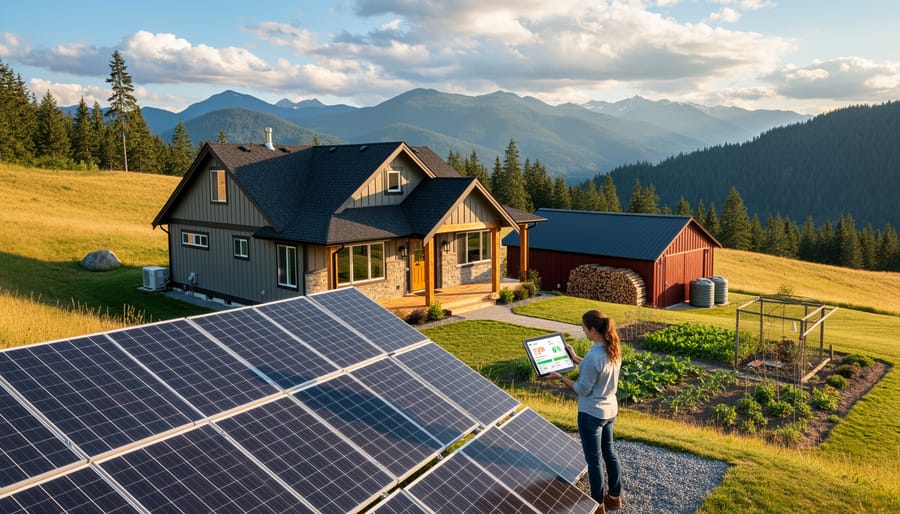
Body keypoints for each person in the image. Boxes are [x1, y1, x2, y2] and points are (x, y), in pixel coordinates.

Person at [547, 310, 623, 512]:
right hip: (609, 411)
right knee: (610, 453)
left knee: (594, 461)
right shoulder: (612, 349)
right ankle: (614, 497)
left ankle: (598, 506)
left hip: (591, 414)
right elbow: (596, 368)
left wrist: (560, 378)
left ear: (592, 329)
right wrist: (575, 357)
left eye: (583, 327)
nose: (583, 330)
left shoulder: (593, 358)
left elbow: (582, 389)